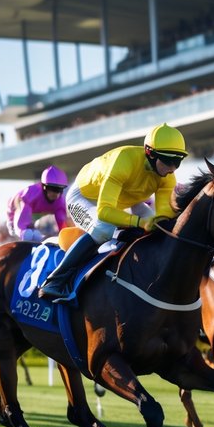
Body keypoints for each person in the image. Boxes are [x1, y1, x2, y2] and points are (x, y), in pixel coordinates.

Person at [38, 123, 186, 300]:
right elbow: (105, 212)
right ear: (149, 153)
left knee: (161, 230)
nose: (172, 168)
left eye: (177, 161)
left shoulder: (167, 176)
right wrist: (138, 223)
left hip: (127, 199)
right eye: (168, 160)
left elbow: (163, 216)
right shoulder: (123, 161)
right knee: (103, 230)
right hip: (85, 197)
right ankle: (55, 280)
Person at [6, 165, 69, 242]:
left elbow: (62, 224)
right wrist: (22, 231)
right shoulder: (30, 195)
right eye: (52, 189)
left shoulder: (60, 202)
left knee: (36, 235)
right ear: (44, 187)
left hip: (33, 212)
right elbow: (22, 225)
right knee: (28, 234)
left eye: (59, 190)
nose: (56, 194)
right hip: (15, 207)